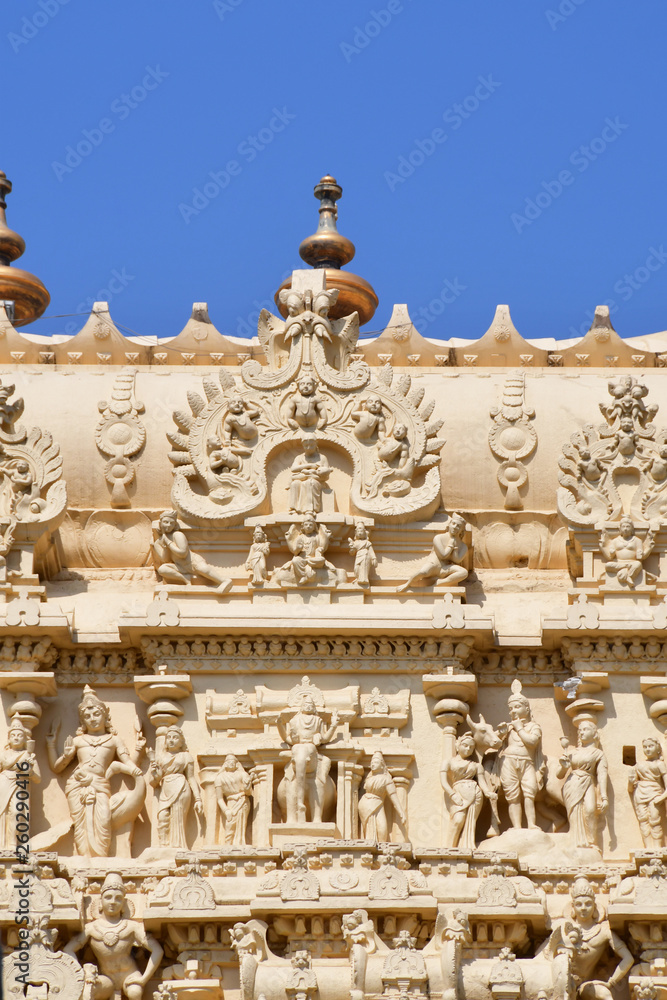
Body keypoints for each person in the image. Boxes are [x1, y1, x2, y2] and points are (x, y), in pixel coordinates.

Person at [47, 686, 145, 857]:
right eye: (87, 716)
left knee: (103, 820)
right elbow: (57, 767)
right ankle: (84, 859)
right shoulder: (78, 741)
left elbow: (130, 765)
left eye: (96, 714)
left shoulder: (114, 740)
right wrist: (53, 746)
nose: (92, 719)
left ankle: (100, 859)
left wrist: (139, 749)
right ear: (82, 721)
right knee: (80, 824)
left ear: (105, 716)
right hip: (77, 786)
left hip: (100, 785)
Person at [65, 872, 163, 1000]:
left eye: (118, 898)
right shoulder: (91, 929)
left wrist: (143, 979)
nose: (113, 902)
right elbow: (68, 949)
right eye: (108, 897)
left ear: (123, 903)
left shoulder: (131, 926)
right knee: (89, 991)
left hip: (129, 975)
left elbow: (157, 950)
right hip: (106, 978)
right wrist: (82, 974)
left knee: (135, 992)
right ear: (100, 901)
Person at [546, 878, 633, 1000]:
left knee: (606, 995)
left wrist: (611, 982)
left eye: (588, 904)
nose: (583, 908)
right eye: (578, 904)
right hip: (559, 981)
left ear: (594, 906)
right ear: (572, 907)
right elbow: (546, 956)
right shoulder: (563, 928)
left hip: (584, 985)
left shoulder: (604, 931)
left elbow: (628, 958)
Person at [277, 696, 338, 823]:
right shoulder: (295, 720)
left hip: (312, 754)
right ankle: (292, 817)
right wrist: (279, 726)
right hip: (297, 752)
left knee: (309, 749)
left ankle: (317, 818)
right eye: (306, 704)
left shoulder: (318, 720)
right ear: (301, 706)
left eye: (311, 704)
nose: (308, 706)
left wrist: (333, 725)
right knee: (298, 749)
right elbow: (288, 739)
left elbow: (325, 738)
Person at [495, 682, 543, 830]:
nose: (513, 711)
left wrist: (519, 728)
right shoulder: (509, 728)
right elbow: (494, 743)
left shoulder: (533, 727)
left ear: (527, 709)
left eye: (517, 707)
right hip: (508, 761)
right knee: (513, 796)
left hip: (527, 762)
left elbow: (532, 742)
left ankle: (531, 824)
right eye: (510, 708)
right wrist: (501, 733)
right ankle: (516, 827)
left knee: (529, 793)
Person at [148, 726, 203, 849]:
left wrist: (198, 799)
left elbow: (191, 778)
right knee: (162, 817)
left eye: (175, 737)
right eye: (169, 738)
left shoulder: (185, 756)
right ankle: (163, 845)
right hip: (165, 788)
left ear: (181, 741)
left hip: (181, 787)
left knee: (177, 819)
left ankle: (178, 846)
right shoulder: (160, 757)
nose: (171, 740)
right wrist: (155, 774)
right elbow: (153, 783)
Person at [440, 733, 496, 850]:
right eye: (465, 745)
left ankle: (464, 846)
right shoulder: (448, 762)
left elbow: (482, 783)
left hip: (475, 794)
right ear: (457, 746)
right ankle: (448, 848)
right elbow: (444, 782)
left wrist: (487, 793)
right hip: (458, 793)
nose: (468, 749)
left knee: (470, 823)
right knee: (458, 820)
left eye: (471, 747)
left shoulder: (476, 766)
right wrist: (452, 794)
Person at [151, 510, 232, 592]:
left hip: (192, 562)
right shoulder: (158, 543)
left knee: (203, 569)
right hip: (180, 566)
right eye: (165, 522)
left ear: (174, 525)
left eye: (171, 523)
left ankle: (223, 581)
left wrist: (169, 543)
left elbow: (183, 553)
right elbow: (165, 560)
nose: (168, 525)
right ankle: (185, 578)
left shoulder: (177, 535)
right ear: (160, 523)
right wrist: (165, 548)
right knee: (162, 569)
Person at [558, 720, 609, 850]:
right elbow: (559, 775)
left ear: (594, 733)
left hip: (588, 781)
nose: (581, 732)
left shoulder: (598, 753)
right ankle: (576, 843)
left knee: (591, 810)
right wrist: (564, 767)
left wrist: (604, 797)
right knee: (575, 812)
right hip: (572, 783)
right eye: (579, 730)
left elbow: (602, 775)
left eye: (585, 729)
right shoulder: (572, 752)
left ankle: (591, 842)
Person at [398, 514, 468, 591]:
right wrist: (450, 545)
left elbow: (456, 560)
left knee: (463, 572)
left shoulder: (463, 546)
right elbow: (443, 555)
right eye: (453, 524)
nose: (455, 527)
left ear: (462, 530)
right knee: (422, 572)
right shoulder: (438, 538)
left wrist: (456, 549)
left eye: (458, 526)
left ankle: (440, 583)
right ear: (449, 524)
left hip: (446, 568)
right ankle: (407, 584)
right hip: (434, 564)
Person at [0, 720, 40, 849]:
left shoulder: (29, 755)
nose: (16, 738)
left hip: (19, 784)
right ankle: (3, 844)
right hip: (4, 783)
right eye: (13, 735)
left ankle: (13, 844)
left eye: (19, 735)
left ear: (24, 739)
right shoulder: (3, 755)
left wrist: (30, 771)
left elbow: (37, 778)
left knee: (17, 812)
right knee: (2, 814)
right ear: (9, 739)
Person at [628, 737, 667, 849]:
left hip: (655, 794)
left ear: (658, 748)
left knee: (655, 820)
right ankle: (648, 847)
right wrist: (630, 782)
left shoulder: (659, 764)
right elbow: (630, 788)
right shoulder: (638, 765)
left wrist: (662, 796)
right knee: (643, 820)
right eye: (645, 747)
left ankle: (657, 847)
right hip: (639, 794)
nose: (647, 749)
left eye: (651, 746)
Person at [358, 751, 406, 842]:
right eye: (371, 763)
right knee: (369, 827)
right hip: (365, 804)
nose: (373, 765)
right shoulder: (369, 778)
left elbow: (393, 796)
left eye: (375, 762)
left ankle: (381, 848)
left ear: (382, 765)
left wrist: (401, 813)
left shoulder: (386, 779)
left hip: (377, 802)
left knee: (382, 827)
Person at [599, 517, 655, 587]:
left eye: (628, 526)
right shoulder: (615, 541)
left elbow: (640, 557)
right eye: (623, 526)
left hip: (632, 562)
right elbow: (609, 557)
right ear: (620, 529)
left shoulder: (637, 540)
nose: (625, 529)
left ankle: (628, 576)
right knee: (608, 565)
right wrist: (602, 548)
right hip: (619, 563)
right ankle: (627, 570)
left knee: (638, 564)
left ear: (632, 529)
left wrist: (649, 548)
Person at [214, 754, 253, 845]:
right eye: (228, 762)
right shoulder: (219, 778)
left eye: (233, 762)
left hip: (243, 800)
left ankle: (239, 843)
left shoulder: (243, 774)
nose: (231, 764)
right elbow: (219, 798)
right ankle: (228, 843)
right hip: (230, 802)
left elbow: (249, 792)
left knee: (241, 824)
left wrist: (247, 786)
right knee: (230, 823)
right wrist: (226, 810)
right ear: (225, 764)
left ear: (237, 764)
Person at [288, 437, 331, 515]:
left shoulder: (322, 458)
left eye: (311, 445)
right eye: (306, 446)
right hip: (302, 478)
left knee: (310, 483)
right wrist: (309, 465)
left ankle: (310, 509)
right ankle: (294, 509)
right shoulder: (299, 458)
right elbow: (293, 469)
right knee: (295, 484)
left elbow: (326, 476)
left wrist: (313, 474)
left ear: (316, 444)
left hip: (317, 481)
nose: (308, 448)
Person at [348, 521, 377, 588]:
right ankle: (358, 578)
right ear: (356, 533)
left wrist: (374, 558)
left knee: (364, 567)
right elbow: (352, 553)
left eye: (361, 531)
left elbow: (371, 551)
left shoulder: (367, 542)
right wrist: (351, 547)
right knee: (357, 569)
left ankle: (363, 580)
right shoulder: (355, 543)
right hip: (358, 556)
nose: (360, 533)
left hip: (365, 556)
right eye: (358, 531)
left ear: (365, 532)